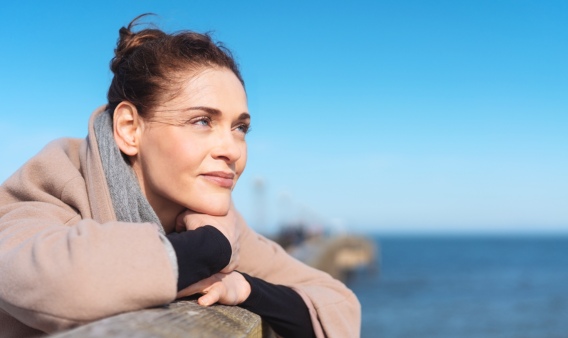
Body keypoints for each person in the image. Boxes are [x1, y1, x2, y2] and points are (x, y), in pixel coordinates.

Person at [0, 14, 360, 338]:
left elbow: (337, 303)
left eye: (240, 128)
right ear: (129, 129)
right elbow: (53, 281)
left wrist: (247, 288)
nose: (232, 149)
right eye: (202, 121)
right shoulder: (52, 183)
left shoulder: (211, 219)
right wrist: (211, 249)